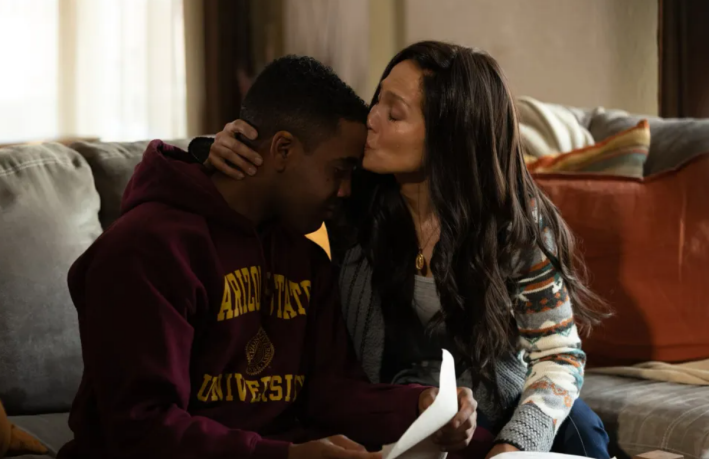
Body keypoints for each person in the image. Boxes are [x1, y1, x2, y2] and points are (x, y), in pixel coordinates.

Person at [57, 55, 479, 459]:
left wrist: (419, 406)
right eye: (339, 171)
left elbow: (328, 391)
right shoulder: (145, 250)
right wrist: (287, 456)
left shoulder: (304, 254)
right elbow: (141, 429)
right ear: (282, 150)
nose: (346, 191)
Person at [206, 42, 612, 459]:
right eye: (377, 100)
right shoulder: (351, 200)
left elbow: (559, 353)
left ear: (449, 135)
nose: (371, 119)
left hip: (493, 407)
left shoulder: (511, 222)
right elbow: (276, 176)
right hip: (396, 409)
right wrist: (212, 151)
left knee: (579, 429)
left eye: (394, 113)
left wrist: (514, 445)